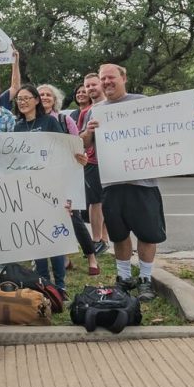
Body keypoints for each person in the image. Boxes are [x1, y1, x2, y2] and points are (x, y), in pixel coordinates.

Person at [82, 62, 167, 300]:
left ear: (123, 78)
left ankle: (146, 279)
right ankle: (124, 277)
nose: (107, 82)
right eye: (103, 79)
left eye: (111, 77)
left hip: (142, 182)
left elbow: (168, 128)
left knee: (147, 234)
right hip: (111, 184)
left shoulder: (142, 103)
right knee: (119, 235)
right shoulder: (94, 111)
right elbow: (85, 145)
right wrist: (89, 131)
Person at [9, 83, 71, 290]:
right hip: (27, 189)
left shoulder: (50, 122)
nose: (23, 102)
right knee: (36, 237)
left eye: (27, 98)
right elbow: (14, 159)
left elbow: (63, 150)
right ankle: (44, 284)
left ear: (36, 100)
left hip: (51, 186)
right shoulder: (17, 127)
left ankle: (60, 286)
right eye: (19, 99)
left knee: (54, 236)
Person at [76, 71, 109, 253]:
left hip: (113, 162)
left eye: (93, 85)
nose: (90, 89)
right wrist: (88, 131)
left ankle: (105, 238)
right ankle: (96, 239)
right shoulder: (86, 113)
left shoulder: (114, 107)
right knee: (95, 202)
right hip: (93, 162)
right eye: (87, 86)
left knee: (109, 202)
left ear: (101, 84)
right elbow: (81, 138)